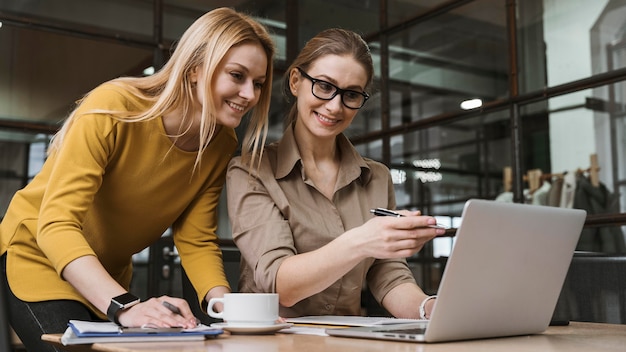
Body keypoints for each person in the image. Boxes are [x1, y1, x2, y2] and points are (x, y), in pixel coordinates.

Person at [0, 7, 274, 351]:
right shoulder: (114, 106)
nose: (250, 94)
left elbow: (196, 240)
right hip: (36, 259)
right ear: (194, 69)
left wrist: (230, 310)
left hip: (107, 277)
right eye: (237, 76)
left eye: (259, 83)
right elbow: (56, 225)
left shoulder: (221, 143)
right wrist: (124, 306)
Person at [226, 28, 445, 320]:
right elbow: (280, 283)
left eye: (351, 94)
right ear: (295, 82)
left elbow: (388, 274)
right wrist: (362, 241)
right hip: (270, 341)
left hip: (342, 339)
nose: (334, 106)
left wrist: (430, 309)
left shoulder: (376, 177)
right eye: (324, 86)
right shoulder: (250, 170)